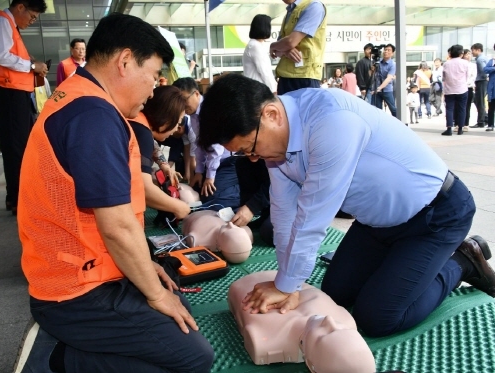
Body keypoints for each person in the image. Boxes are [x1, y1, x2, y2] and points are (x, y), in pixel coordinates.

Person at [195, 73, 495, 338]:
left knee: (378, 317)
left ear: (271, 114)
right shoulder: (276, 144)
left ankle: (462, 262)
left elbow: (312, 216)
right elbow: (285, 214)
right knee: (336, 293)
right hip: (376, 223)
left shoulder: (331, 121)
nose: (253, 158)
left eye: (250, 148)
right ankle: (402, 264)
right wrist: (286, 279)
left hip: (434, 216)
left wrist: (287, 286)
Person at [17, 13, 214, 372]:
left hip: (83, 271)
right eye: (153, 75)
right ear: (124, 62)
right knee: (193, 357)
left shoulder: (81, 98)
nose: (154, 89)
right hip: (75, 290)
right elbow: (117, 226)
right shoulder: (93, 115)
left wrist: (145, 266)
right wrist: (153, 294)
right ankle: (57, 360)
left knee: (176, 309)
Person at [228, 271, 376, 372]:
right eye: (342, 329)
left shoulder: (263, 341)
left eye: (323, 335)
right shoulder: (346, 320)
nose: (329, 320)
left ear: (311, 366)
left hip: (245, 289)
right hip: (275, 280)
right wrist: (288, 286)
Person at [0, 0, 49, 215]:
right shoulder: (1, 21)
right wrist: (31, 65)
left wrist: (33, 66)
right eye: (32, 16)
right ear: (20, 6)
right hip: (8, 92)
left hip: (15, 92)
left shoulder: (10, 25)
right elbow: (0, 56)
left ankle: (16, 197)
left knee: (19, 146)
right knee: (15, 148)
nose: (31, 21)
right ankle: (19, 199)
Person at [173, 77, 241, 210]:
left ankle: (240, 198)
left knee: (212, 197)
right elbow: (199, 145)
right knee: (199, 191)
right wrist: (199, 172)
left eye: (184, 100)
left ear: (196, 94)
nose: (183, 105)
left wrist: (209, 177)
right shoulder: (193, 115)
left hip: (230, 160)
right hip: (213, 163)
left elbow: (216, 148)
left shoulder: (210, 110)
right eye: (179, 102)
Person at [127, 85, 191, 220]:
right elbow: (144, 187)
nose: (175, 129)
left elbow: (151, 143)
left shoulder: (139, 122)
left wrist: (164, 165)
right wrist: (177, 206)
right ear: (167, 118)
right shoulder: (142, 133)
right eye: (177, 122)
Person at [270, 0, 327, 94]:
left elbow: (290, 41)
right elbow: (278, 50)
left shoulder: (314, 6)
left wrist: (273, 46)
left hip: (305, 76)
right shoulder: (290, 11)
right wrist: (285, 50)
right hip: (285, 77)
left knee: (306, 108)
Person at [243, 14, 277, 93]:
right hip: (259, 92)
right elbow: (265, 72)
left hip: (256, 90)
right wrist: (274, 90)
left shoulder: (254, 45)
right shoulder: (255, 47)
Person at [441, 45, 469, 136]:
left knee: (449, 109)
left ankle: (449, 128)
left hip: (449, 90)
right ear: (461, 53)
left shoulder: (446, 64)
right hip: (462, 89)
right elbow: (467, 76)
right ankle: (460, 129)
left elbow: (444, 78)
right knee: (462, 108)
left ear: (450, 53)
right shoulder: (465, 63)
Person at [372, 43, 397, 117]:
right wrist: (372, 68)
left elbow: (389, 78)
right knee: (377, 110)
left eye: (389, 50)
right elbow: (371, 74)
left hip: (387, 90)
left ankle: (398, 122)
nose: (386, 51)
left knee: (393, 109)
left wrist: (380, 88)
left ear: (392, 53)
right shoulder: (377, 61)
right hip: (376, 89)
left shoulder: (392, 64)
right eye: (385, 50)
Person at [470, 43, 488, 129]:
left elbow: (484, 71)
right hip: (482, 81)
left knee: (479, 101)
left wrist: (485, 78)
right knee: (478, 101)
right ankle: (485, 118)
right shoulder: (483, 58)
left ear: (478, 50)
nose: (472, 52)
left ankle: (481, 121)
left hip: (481, 81)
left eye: (473, 50)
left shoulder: (480, 60)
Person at [463, 49, 476, 132]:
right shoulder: (460, 64)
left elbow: (473, 77)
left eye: (470, 54)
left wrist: (466, 83)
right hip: (459, 87)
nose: (468, 56)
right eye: (467, 54)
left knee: (467, 107)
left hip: (468, 87)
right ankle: (458, 123)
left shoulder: (473, 65)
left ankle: (466, 124)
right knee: (459, 107)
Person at [483, 46, 495, 132]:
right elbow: (485, 69)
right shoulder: (492, 61)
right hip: (492, 89)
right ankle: (490, 124)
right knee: (491, 108)